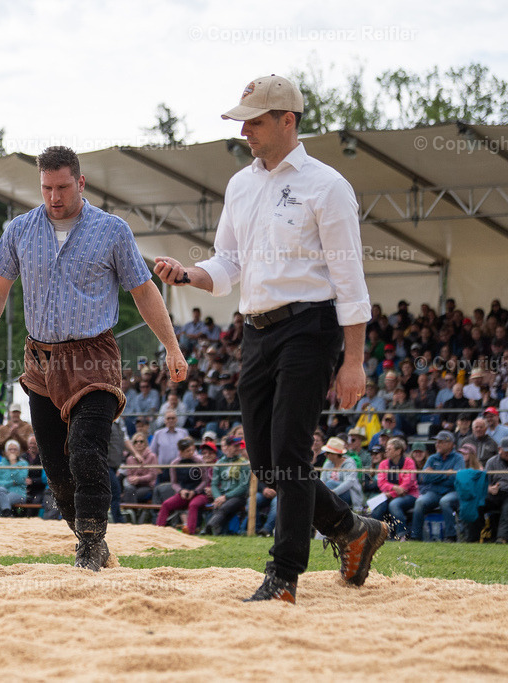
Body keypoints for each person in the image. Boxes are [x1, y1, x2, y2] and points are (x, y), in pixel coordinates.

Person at [154, 75, 386, 602]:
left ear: (288, 120)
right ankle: (353, 530)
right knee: (266, 464)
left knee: (288, 453)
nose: (246, 131)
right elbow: (229, 263)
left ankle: (284, 576)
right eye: (243, 121)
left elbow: (350, 280)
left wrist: (354, 361)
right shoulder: (240, 184)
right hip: (254, 331)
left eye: (255, 121)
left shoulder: (327, 186)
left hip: (311, 326)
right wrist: (189, 274)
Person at [0, 145, 187, 570]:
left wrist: (172, 347)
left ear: (80, 182)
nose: (54, 196)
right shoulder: (19, 230)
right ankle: (92, 542)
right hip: (40, 360)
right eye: (46, 188)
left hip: (93, 356)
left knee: (86, 450)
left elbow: (143, 290)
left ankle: (89, 543)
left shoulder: (113, 230)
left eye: (63, 186)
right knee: (55, 467)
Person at [410, 431, 465, 541]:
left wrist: (435, 473)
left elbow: (455, 478)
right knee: (420, 502)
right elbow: (425, 478)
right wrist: (445, 473)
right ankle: (415, 537)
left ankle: (451, 536)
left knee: (445, 502)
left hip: (452, 491)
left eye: (441, 442)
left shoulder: (458, 458)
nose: (437, 445)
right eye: (437, 442)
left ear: (450, 444)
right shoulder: (432, 458)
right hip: (434, 492)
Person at [155, 438, 211, 534]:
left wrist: (195, 491)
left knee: (193, 505)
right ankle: (159, 530)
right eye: (188, 451)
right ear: (181, 452)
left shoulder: (199, 462)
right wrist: (181, 491)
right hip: (183, 493)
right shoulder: (175, 463)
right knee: (166, 504)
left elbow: (205, 480)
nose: (191, 453)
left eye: (192, 450)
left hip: (199, 493)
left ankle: (190, 532)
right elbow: (174, 483)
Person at [371, 437, 419, 541]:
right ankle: (379, 536)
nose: (386, 451)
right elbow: (381, 483)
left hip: (409, 495)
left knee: (394, 504)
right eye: (386, 449)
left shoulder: (409, 462)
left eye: (389, 449)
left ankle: (402, 535)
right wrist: (394, 488)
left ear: (398, 451)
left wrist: (392, 493)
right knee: (377, 508)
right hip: (389, 495)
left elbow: (407, 484)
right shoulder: (383, 464)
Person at [206, 436, 251, 535]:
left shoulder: (244, 463)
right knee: (220, 506)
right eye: (235, 446)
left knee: (224, 507)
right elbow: (214, 484)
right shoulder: (220, 462)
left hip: (238, 497)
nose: (238, 448)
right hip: (222, 496)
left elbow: (243, 487)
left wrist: (225, 497)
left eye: (239, 446)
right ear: (227, 447)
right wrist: (218, 497)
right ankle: (219, 532)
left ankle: (210, 526)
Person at [320, 438, 364, 510]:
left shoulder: (350, 463)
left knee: (330, 483)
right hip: (329, 493)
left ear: (335, 454)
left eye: (328, 452)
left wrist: (334, 492)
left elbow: (349, 482)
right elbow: (322, 480)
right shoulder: (328, 463)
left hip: (348, 494)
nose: (325, 454)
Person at [0, 439, 29, 516]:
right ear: (6, 452)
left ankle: (5, 518)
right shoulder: (1, 464)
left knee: (1, 501)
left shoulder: (23, 463)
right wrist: (12, 483)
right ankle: (8, 515)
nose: (12, 451)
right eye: (10, 449)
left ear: (19, 452)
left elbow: (20, 480)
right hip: (2, 492)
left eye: (15, 449)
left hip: (18, 493)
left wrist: (13, 464)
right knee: (0, 490)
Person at [483, 438, 508, 543]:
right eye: (506, 451)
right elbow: (484, 483)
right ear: (499, 449)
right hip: (496, 493)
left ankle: (501, 538)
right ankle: (474, 537)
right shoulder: (491, 461)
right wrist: (489, 488)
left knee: (507, 507)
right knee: (478, 503)